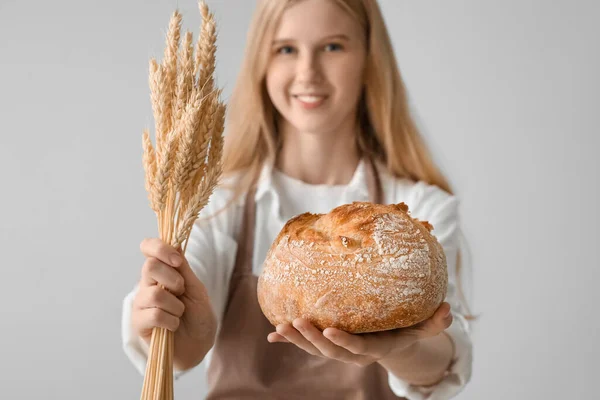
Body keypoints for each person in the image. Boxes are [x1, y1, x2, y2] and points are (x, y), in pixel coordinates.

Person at [122, 0, 474, 398]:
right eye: (286, 49)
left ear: (370, 60)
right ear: (262, 63)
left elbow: (443, 361)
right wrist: (172, 321)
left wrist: (402, 345)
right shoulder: (217, 203)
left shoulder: (418, 212)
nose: (308, 72)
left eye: (333, 47)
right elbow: (180, 353)